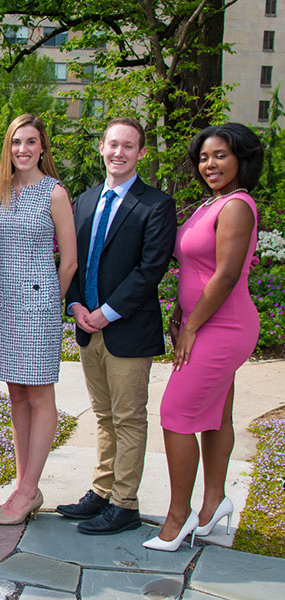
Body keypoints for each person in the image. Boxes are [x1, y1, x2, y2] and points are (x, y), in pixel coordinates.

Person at [143, 123, 262, 551]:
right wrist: (181, 310)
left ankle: (180, 516)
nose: (209, 164)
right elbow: (200, 269)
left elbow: (228, 273)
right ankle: (214, 505)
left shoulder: (236, 206)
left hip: (223, 326)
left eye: (220, 156)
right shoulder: (211, 204)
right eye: (204, 158)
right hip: (204, 319)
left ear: (241, 160)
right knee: (214, 419)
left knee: (175, 415)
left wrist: (191, 326)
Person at [58, 117, 177, 535]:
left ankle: (125, 503)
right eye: (113, 144)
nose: (119, 152)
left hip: (126, 329)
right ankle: (101, 491)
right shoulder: (85, 200)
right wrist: (74, 304)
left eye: (129, 146)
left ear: (141, 153)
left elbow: (150, 271)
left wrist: (105, 312)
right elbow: (70, 259)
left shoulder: (156, 205)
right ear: (102, 148)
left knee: (128, 418)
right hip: (86, 326)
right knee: (104, 416)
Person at [0, 114, 77, 526]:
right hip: (1, 303)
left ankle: (28, 490)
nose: (23, 149)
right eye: (16, 141)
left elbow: (69, 261)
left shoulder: (54, 193)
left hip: (37, 306)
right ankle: (24, 487)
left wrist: (48, 301)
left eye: (31, 142)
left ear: (42, 148)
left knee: (39, 396)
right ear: (9, 146)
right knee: (16, 395)